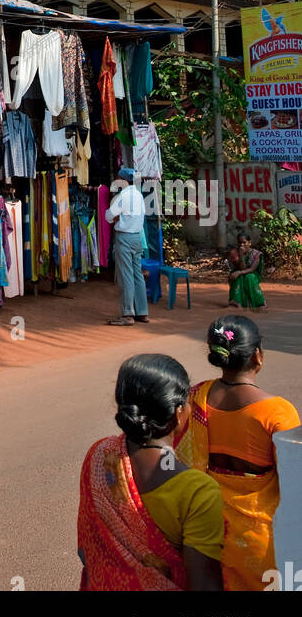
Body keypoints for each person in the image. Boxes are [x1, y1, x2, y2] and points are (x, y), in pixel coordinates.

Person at [78, 354, 224, 591]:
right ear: (178, 413)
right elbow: (205, 584)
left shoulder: (100, 456)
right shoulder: (198, 491)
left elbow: (87, 550)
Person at [174, 316, 301, 591]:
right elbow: (295, 485)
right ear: (257, 356)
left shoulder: (197, 397)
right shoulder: (278, 412)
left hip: (206, 530)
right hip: (261, 541)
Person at [106, 167, 149, 326]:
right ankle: (142, 312)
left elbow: (109, 215)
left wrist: (115, 219)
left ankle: (128, 313)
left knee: (126, 275)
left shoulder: (123, 196)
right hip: (137, 237)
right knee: (137, 274)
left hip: (124, 237)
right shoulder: (138, 195)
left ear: (124, 180)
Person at [224, 233, 266, 310]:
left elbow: (252, 269)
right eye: (240, 243)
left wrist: (240, 270)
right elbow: (240, 268)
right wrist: (240, 255)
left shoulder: (256, 254)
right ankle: (236, 302)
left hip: (252, 274)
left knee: (249, 277)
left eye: (244, 242)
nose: (241, 245)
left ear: (249, 243)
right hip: (238, 272)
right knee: (237, 278)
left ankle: (258, 303)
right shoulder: (234, 253)